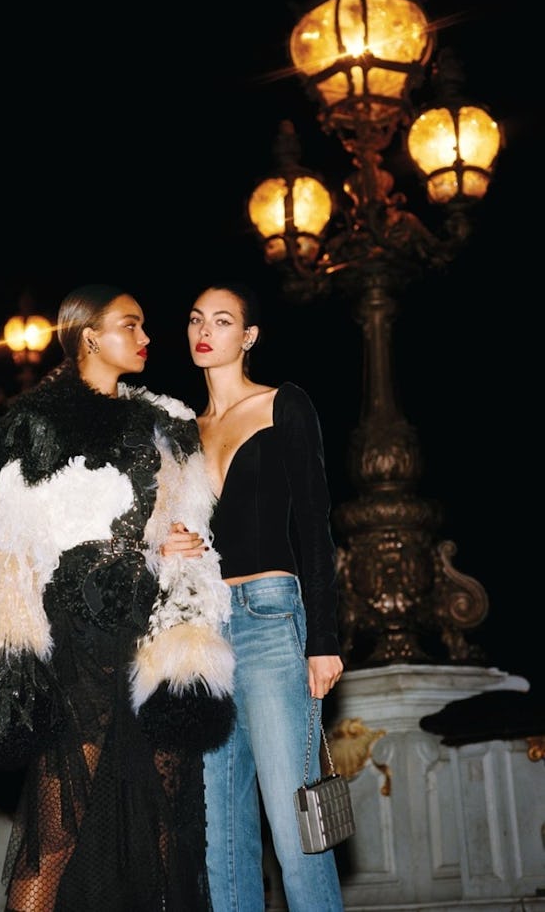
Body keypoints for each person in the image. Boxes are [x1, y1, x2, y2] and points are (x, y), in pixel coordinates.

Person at [0, 283, 236, 912]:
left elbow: (176, 515)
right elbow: (9, 547)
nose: (146, 339)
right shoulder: (37, 424)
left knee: (168, 827)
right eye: (131, 326)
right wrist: (14, 664)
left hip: (151, 638)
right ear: (89, 335)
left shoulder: (164, 422)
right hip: (79, 641)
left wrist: (172, 544)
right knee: (57, 830)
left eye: (144, 327)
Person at [187, 281, 345, 912]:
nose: (205, 330)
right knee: (218, 836)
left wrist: (324, 641)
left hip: (273, 615)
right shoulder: (180, 430)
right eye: (197, 319)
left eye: (222, 320)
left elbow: (315, 522)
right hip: (203, 627)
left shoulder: (285, 404)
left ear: (247, 337)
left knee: (295, 825)